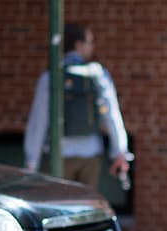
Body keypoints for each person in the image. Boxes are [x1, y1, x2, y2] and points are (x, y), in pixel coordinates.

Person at [24, 23, 131, 188]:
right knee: (85, 207)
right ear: (78, 44)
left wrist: (32, 161)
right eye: (90, 42)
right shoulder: (98, 74)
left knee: (58, 208)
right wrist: (119, 152)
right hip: (90, 155)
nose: (92, 47)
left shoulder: (51, 76)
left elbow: (39, 121)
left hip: (59, 156)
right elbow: (111, 114)